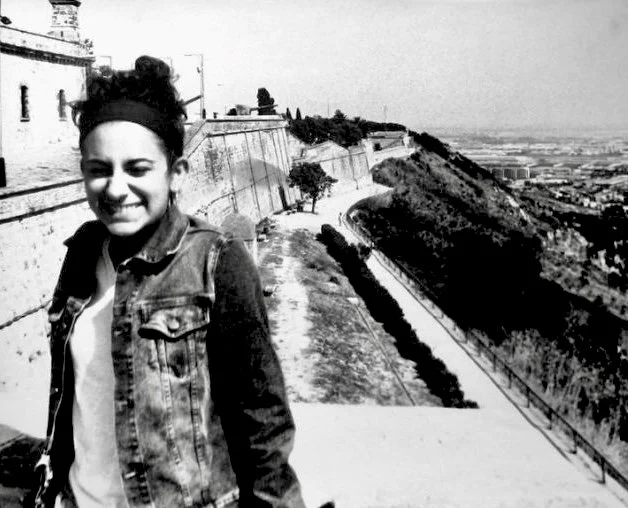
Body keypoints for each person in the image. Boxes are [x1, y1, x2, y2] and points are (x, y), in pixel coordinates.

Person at [32, 56, 305, 508]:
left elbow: (263, 422)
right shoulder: (80, 253)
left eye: (137, 168)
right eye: (99, 169)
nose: (115, 188)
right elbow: (69, 400)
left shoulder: (217, 262)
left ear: (176, 173)